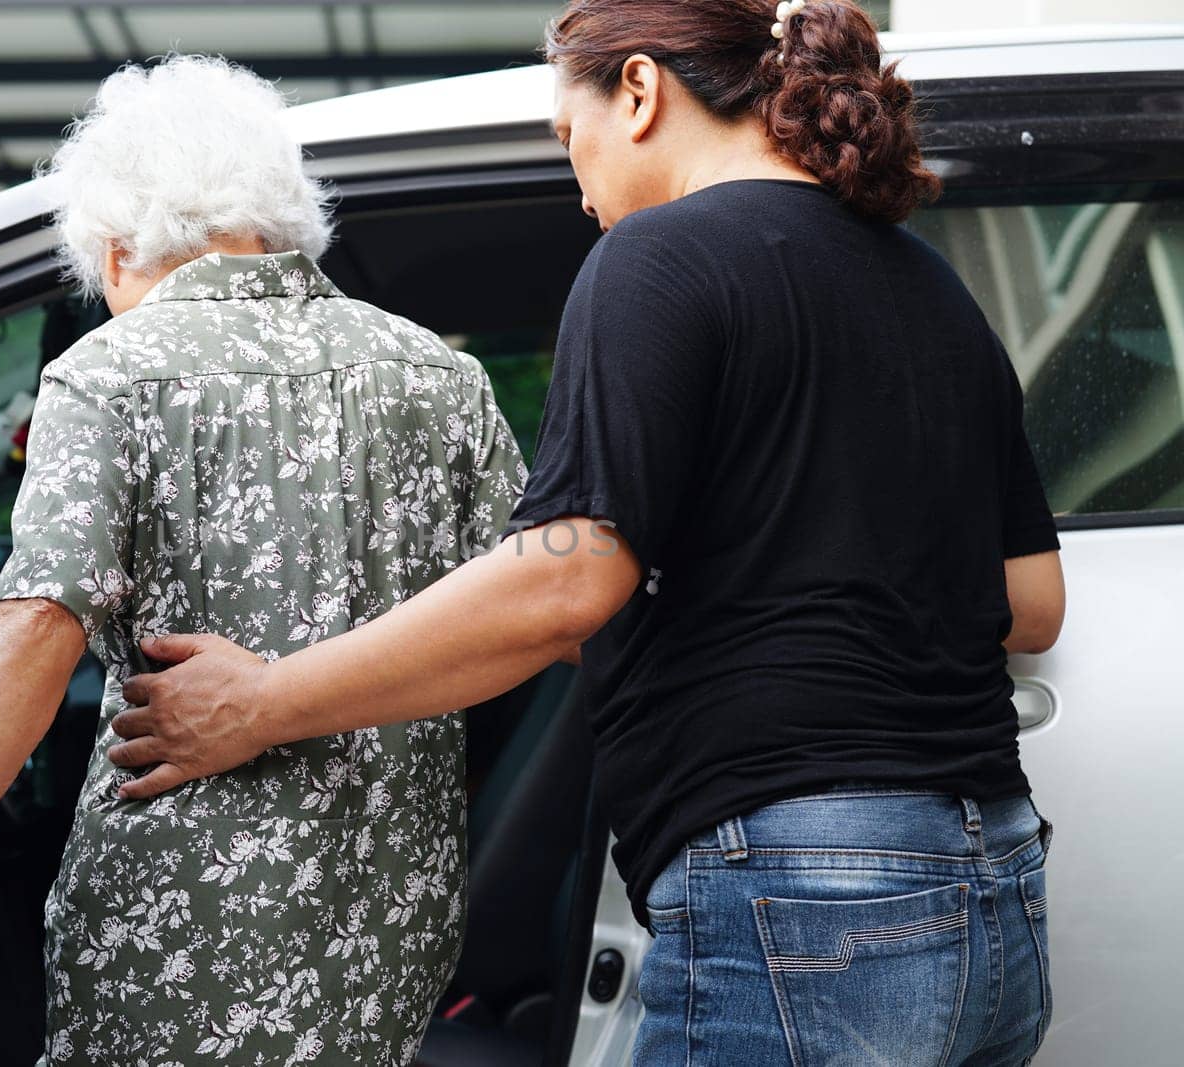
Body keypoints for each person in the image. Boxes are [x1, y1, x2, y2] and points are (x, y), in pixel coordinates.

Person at [104, 2, 1068, 1064]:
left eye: (571, 139)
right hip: (993, 880)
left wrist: (259, 703)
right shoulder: (930, 285)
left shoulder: (659, 256)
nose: (578, 187)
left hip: (804, 896)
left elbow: (564, 583)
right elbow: (1029, 602)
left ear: (642, 91)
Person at [0, 55, 527, 1066]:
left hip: (177, 929)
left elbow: (37, 622)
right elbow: (532, 612)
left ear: (117, 245)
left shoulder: (105, 376)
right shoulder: (441, 375)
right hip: (391, 916)